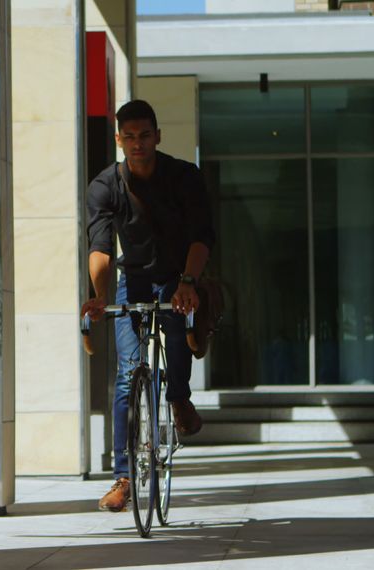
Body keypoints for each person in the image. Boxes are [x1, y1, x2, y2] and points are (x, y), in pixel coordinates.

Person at [80, 100, 215, 512]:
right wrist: (100, 297)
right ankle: (123, 477)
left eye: (145, 135)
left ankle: (178, 398)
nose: (138, 144)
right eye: (129, 137)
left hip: (178, 276)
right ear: (119, 140)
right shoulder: (105, 187)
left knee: (177, 334)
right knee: (126, 377)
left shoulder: (183, 177)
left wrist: (188, 282)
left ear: (157, 136)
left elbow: (201, 236)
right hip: (133, 279)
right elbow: (101, 247)